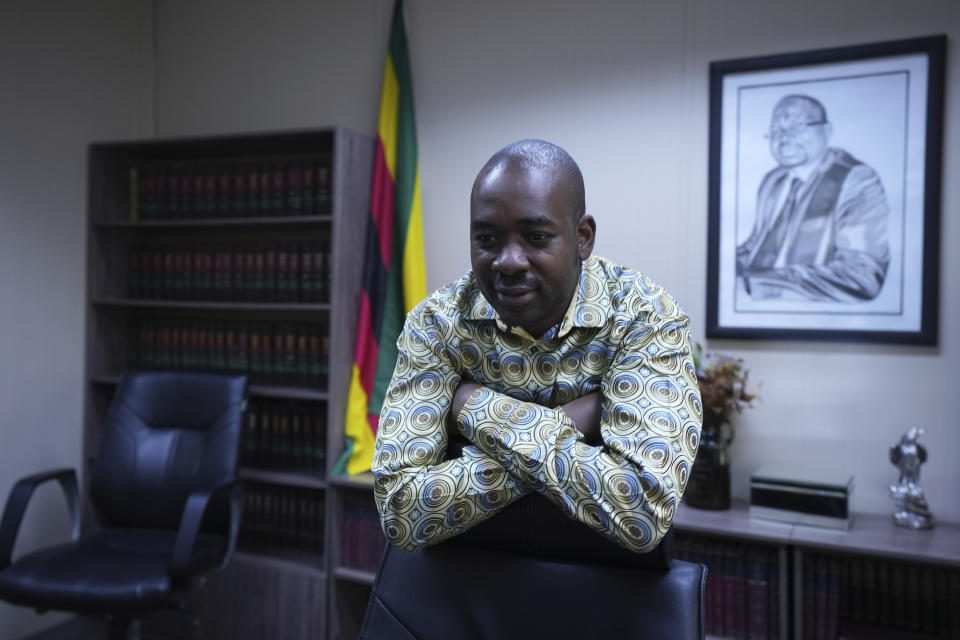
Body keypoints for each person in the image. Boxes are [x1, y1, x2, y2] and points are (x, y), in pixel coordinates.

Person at [371, 139, 701, 554]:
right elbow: (400, 513)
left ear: (582, 238)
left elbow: (640, 510)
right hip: (465, 591)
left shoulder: (644, 316)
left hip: (610, 597)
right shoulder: (437, 323)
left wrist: (475, 410)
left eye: (535, 236)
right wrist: (575, 419)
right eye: (487, 239)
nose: (508, 261)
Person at [736, 94, 891, 302]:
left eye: (796, 128)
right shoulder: (774, 181)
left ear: (826, 132)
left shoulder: (855, 180)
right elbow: (755, 248)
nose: (784, 139)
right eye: (776, 131)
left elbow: (862, 276)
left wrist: (754, 286)